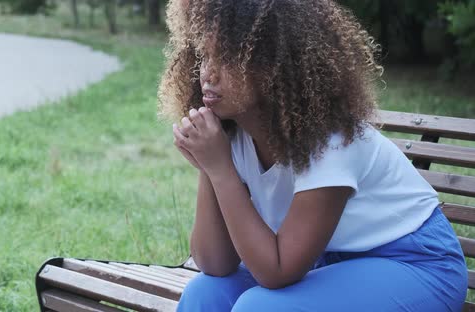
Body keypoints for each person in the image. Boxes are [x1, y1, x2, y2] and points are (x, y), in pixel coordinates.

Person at [158, 0, 468, 311]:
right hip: (325, 264)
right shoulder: (232, 134)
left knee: (260, 307)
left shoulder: (330, 141)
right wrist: (212, 167)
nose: (207, 73)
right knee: (205, 293)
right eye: (203, 54)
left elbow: (276, 272)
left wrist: (221, 170)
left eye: (226, 57)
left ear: (272, 64)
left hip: (413, 265)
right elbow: (215, 263)